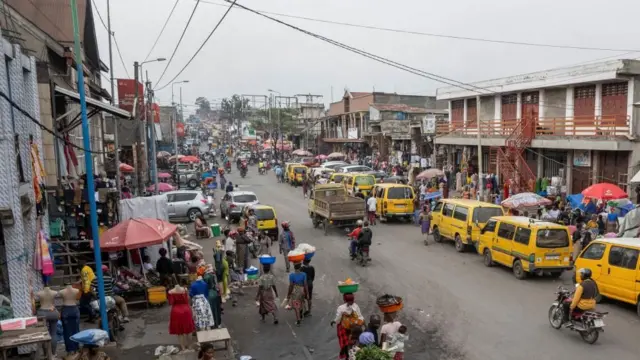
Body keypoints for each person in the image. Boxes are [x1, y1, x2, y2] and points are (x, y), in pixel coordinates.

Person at [331, 293, 364, 359]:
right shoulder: (356, 306)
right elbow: (360, 316)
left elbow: (338, 318)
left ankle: (346, 355)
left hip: (344, 329)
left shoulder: (341, 308)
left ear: (344, 299)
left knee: (346, 343)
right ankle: (352, 354)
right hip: (354, 328)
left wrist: (334, 321)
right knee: (354, 342)